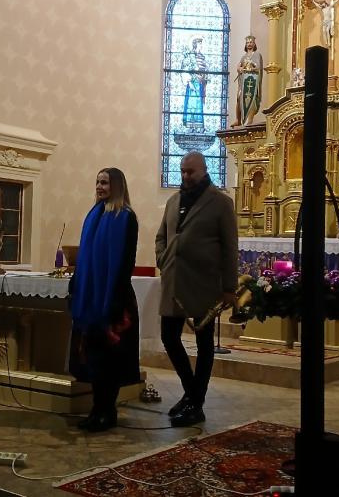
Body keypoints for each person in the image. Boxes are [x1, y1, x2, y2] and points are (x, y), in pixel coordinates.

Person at [155, 152, 237, 427]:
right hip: (174, 280)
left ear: (204, 170)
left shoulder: (221, 203)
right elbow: (161, 236)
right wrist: (162, 258)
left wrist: (229, 287)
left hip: (204, 283)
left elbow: (230, 248)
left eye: (190, 171)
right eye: (182, 171)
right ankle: (192, 394)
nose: (185, 176)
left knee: (204, 344)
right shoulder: (173, 201)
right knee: (169, 337)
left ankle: (195, 402)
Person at [69, 168, 140, 432]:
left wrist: (115, 301)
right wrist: (76, 283)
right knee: (94, 360)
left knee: (111, 361)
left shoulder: (126, 217)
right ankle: (96, 409)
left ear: (117, 186)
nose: (99, 187)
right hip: (91, 297)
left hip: (113, 297)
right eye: (98, 182)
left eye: (105, 183)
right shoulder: (93, 215)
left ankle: (108, 412)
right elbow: (85, 257)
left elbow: (125, 261)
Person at [181, 36, 208, 132]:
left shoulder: (202, 57)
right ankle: (190, 126)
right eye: (200, 44)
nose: (201, 46)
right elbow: (185, 69)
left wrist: (204, 78)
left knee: (198, 104)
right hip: (192, 83)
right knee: (191, 103)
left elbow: (205, 70)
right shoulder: (190, 56)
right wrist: (189, 81)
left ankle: (198, 126)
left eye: (201, 44)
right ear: (195, 44)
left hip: (200, 84)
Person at [235, 36, 263, 126]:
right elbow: (239, 66)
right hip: (243, 81)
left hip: (253, 81)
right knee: (239, 97)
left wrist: (252, 65)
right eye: (247, 43)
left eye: (251, 42)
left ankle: (249, 119)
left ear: (254, 44)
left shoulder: (257, 54)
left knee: (252, 99)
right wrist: (240, 68)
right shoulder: (244, 56)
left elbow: (258, 67)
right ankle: (238, 120)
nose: (249, 44)